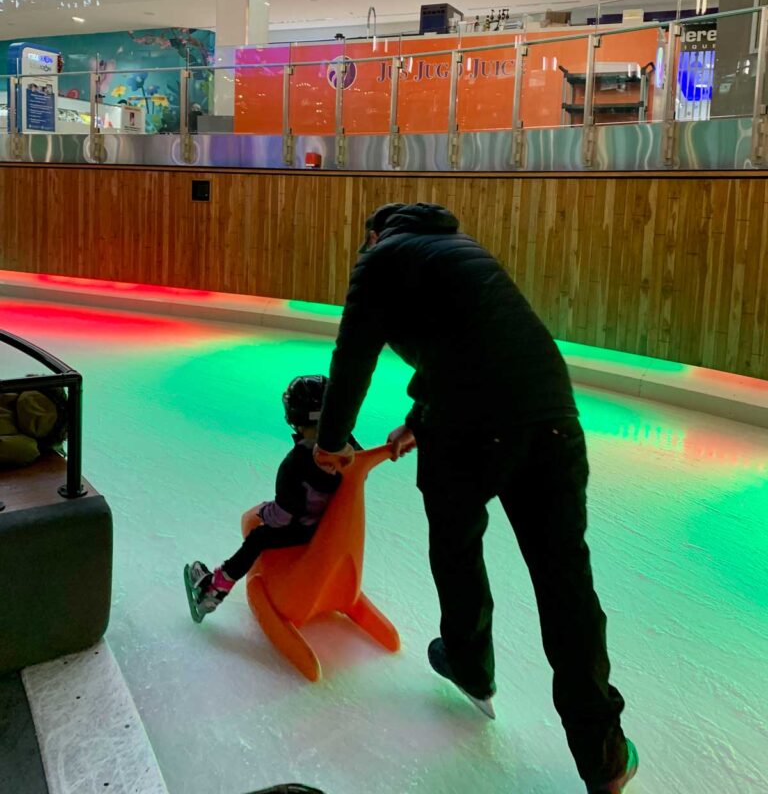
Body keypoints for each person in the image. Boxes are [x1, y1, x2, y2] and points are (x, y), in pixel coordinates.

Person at [314, 202, 638, 794]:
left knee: (456, 543)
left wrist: (329, 442)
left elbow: (353, 353)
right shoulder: (463, 252)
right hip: (551, 418)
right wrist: (418, 418)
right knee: (565, 581)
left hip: (468, 430)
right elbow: (478, 345)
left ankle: (470, 667)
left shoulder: (380, 258)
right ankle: (606, 756)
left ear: (375, 234)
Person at [184, 375, 359, 623]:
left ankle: (213, 591)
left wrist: (265, 512)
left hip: (305, 529)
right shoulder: (350, 448)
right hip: (333, 529)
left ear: (294, 417)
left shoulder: (294, 464)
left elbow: (283, 517)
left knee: (258, 538)